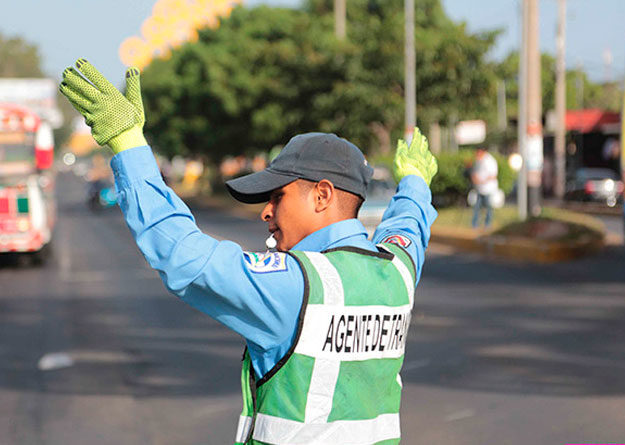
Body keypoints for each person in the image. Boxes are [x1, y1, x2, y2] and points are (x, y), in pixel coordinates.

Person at [59, 59, 438, 444]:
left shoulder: (298, 285)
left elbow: (183, 255)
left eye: (278, 197)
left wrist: (128, 143)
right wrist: (415, 184)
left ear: (322, 195)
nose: (266, 212)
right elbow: (408, 228)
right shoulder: (398, 272)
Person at [470, 148, 498, 228]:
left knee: (488, 207)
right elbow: (474, 172)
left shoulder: (490, 161)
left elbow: (493, 175)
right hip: (479, 188)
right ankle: (474, 224)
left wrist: (481, 181)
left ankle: (487, 224)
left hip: (488, 189)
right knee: (477, 207)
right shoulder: (478, 161)